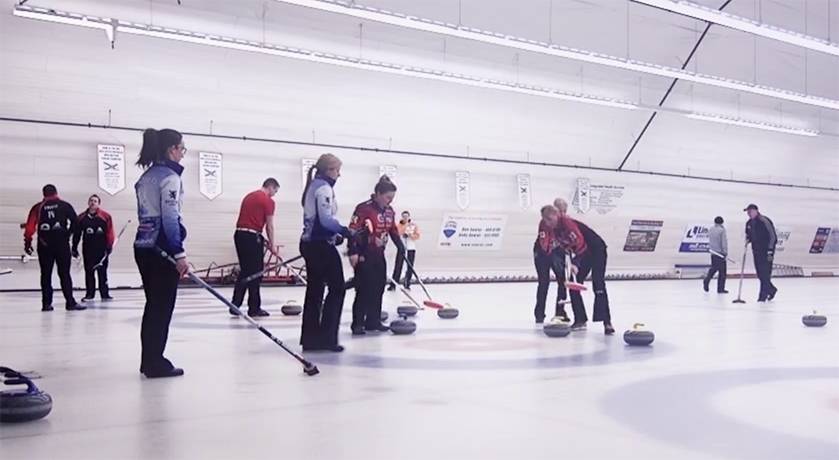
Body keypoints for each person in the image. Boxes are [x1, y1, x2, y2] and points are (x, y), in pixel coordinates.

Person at [133, 128, 189, 378]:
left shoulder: (146, 177)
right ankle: (155, 362)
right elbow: (170, 219)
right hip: (161, 249)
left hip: (143, 246)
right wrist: (179, 254)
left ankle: (150, 359)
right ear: (172, 150)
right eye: (182, 149)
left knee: (153, 306)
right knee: (162, 307)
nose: (182, 154)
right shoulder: (170, 178)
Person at [299, 154, 355, 352]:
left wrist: (335, 236)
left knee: (315, 291)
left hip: (312, 243)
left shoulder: (313, 185)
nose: (339, 175)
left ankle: (311, 339)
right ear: (327, 170)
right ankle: (327, 338)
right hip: (319, 246)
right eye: (336, 170)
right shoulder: (323, 188)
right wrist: (345, 231)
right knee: (337, 288)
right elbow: (325, 220)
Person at [348, 176, 406, 335]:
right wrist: (353, 251)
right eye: (388, 197)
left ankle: (373, 321)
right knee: (364, 289)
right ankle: (358, 323)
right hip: (363, 255)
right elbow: (352, 230)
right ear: (378, 193)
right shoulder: (363, 208)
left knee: (379, 287)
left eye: (392, 198)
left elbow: (392, 230)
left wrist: (400, 246)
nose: (390, 201)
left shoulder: (389, 211)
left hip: (379, 255)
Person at [552, 198, 614, 335]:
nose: (560, 213)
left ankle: (607, 322)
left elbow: (582, 246)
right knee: (573, 284)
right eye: (558, 211)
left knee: (598, 284)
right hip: (583, 254)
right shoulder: (556, 228)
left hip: (597, 250)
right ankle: (580, 319)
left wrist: (576, 262)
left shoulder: (569, 224)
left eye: (562, 210)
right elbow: (567, 247)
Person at [23, 184, 84, 312]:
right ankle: (70, 302)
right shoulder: (65, 205)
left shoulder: (38, 207)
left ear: (43, 194)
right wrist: (68, 234)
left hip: (44, 245)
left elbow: (29, 228)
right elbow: (76, 222)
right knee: (64, 274)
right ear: (56, 192)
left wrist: (27, 243)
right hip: (61, 244)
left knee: (45, 275)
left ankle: (46, 304)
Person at [229, 178, 280, 317]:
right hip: (252, 237)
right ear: (271, 187)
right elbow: (269, 225)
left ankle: (235, 304)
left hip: (240, 235)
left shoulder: (249, 196)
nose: (274, 194)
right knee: (256, 273)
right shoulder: (268, 201)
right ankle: (254, 308)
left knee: (245, 271)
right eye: (275, 190)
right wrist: (273, 244)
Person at [72, 194, 116, 302]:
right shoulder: (81, 217)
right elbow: (77, 234)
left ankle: (105, 294)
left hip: (101, 249)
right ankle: (89, 295)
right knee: (89, 272)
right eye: (91, 200)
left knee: (102, 273)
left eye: (95, 201)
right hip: (88, 249)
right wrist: (74, 247)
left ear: (98, 203)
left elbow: (110, 232)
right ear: (88, 203)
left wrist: (109, 246)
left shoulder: (106, 216)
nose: (93, 202)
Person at [533, 205, 568, 324]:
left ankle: (560, 312)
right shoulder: (545, 223)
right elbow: (544, 243)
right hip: (543, 252)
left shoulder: (565, 221)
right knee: (543, 282)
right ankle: (539, 314)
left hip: (556, 251)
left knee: (563, 282)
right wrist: (551, 254)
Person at [744, 204, 778, 302]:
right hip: (756, 251)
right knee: (760, 274)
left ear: (755, 211)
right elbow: (749, 235)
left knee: (765, 273)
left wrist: (770, 250)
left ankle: (762, 296)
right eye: (747, 212)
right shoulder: (749, 223)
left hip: (766, 251)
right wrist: (748, 240)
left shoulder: (764, 221)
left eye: (749, 211)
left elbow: (773, 236)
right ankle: (771, 290)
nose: (748, 214)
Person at [387, 210, 421, 291]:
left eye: (407, 216)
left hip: (411, 248)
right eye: (404, 216)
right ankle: (393, 284)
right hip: (402, 248)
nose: (405, 218)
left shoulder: (413, 225)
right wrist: (402, 232)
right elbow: (396, 234)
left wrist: (410, 235)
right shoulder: (398, 225)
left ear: (409, 217)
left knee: (410, 267)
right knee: (398, 266)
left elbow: (418, 235)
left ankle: (407, 283)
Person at [703, 216, 728, 294]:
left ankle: (707, 279)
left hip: (713, 252)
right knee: (722, 272)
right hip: (720, 253)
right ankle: (720, 288)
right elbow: (723, 242)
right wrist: (725, 252)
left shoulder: (711, 229)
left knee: (714, 268)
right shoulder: (722, 230)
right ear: (722, 222)